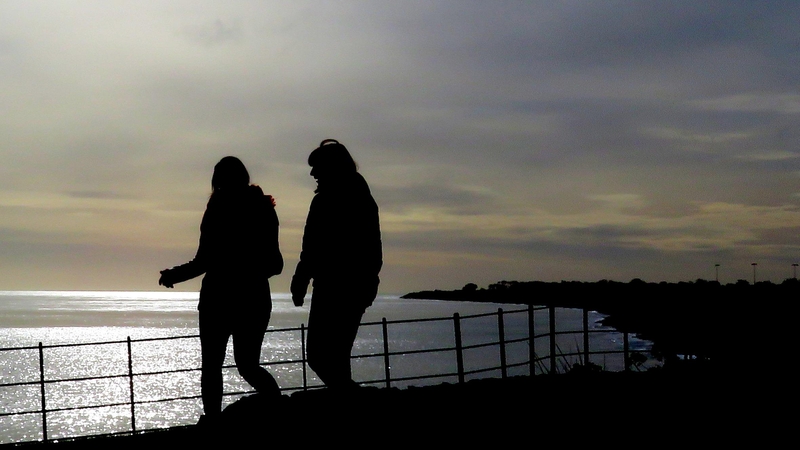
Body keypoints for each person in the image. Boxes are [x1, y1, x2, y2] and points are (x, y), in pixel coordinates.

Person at [158, 156, 283, 420]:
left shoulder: (217, 208)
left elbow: (203, 261)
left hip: (217, 299)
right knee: (248, 366)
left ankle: (214, 423)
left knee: (212, 366)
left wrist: (173, 275)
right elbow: (276, 263)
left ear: (217, 181)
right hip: (255, 298)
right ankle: (277, 409)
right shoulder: (263, 207)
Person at [291, 139, 382, 389]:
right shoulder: (361, 196)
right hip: (354, 286)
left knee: (320, 356)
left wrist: (300, 280)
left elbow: (313, 247)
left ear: (331, 166)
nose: (312, 173)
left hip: (336, 287)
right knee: (335, 357)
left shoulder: (330, 199)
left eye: (317, 166)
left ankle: (349, 400)